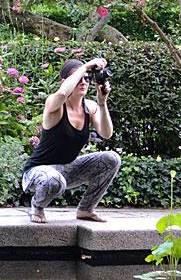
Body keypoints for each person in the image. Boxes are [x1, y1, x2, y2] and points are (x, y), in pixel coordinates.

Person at [22, 58, 119, 224]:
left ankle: (86, 209)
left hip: (68, 169)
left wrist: (102, 103)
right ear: (65, 82)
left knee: (111, 159)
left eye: (87, 78)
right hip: (38, 172)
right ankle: (37, 207)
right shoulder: (55, 104)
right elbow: (61, 93)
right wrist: (86, 66)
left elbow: (106, 133)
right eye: (79, 77)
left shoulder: (90, 107)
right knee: (54, 179)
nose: (83, 82)